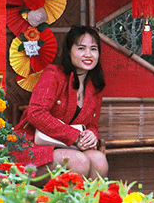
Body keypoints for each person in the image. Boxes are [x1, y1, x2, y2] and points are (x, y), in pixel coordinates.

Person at [12, 25, 108, 179]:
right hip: (34, 146)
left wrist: (91, 134)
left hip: (69, 146)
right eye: (81, 48)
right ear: (69, 51)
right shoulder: (54, 75)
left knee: (100, 160)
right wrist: (75, 136)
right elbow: (35, 113)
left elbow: (92, 124)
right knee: (79, 162)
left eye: (94, 49)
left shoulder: (95, 86)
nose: (88, 54)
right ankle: (62, 202)